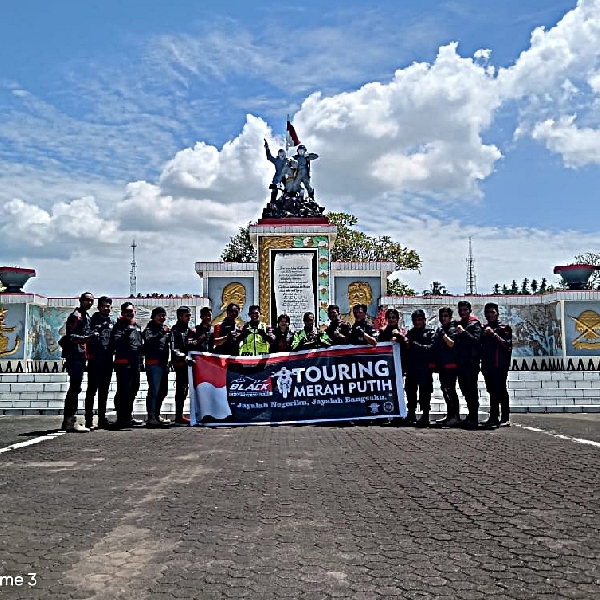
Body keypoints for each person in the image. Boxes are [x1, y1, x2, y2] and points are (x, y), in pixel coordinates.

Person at [61, 292, 94, 433]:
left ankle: (69, 420)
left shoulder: (86, 316)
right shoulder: (76, 316)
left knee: (76, 387)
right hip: (75, 355)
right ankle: (70, 421)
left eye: (92, 301)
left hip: (82, 356)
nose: (90, 303)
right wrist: (87, 337)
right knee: (74, 388)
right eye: (87, 300)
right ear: (81, 300)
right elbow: (71, 336)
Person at [110, 301, 144, 429]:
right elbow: (115, 343)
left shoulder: (137, 326)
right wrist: (126, 332)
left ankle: (128, 417)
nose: (130, 313)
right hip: (123, 364)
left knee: (133, 390)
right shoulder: (119, 326)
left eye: (131, 311)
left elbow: (140, 344)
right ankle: (121, 419)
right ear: (122, 313)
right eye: (127, 311)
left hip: (135, 364)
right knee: (123, 391)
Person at [480, 303, 513, 428]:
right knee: (492, 391)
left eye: (492, 312)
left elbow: (507, 346)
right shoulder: (483, 329)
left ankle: (505, 417)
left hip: (500, 365)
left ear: (497, 313)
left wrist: (494, 335)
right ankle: (493, 417)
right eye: (487, 312)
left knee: (501, 391)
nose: (490, 315)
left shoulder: (504, 328)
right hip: (487, 366)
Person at [84, 296, 114, 430]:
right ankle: (89, 419)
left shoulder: (113, 322)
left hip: (108, 360)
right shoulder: (92, 321)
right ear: (99, 307)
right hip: (95, 360)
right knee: (92, 391)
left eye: (108, 306)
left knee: (104, 391)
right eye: (104, 306)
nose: (106, 308)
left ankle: (102, 419)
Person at [403, 310, 435, 427]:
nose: (417, 322)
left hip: (424, 368)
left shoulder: (430, 332)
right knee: (410, 392)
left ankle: (425, 415)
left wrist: (415, 345)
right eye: (415, 320)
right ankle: (411, 414)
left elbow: (431, 349)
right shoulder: (410, 333)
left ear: (424, 320)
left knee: (425, 393)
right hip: (411, 367)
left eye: (420, 319)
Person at [431, 307, 461, 427]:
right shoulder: (441, 329)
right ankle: (450, 415)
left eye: (445, 316)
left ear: (450, 317)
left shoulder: (453, 329)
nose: (443, 318)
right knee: (445, 390)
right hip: (442, 365)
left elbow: (451, 344)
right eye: (441, 316)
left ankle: (455, 417)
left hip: (451, 366)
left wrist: (443, 335)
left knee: (450, 390)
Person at [455, 300, 482, 429]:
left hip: (471, 363)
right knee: (464, 389)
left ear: (470, 310)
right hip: (461, 362)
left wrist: (463, 333)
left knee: (471, 390)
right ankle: (471, 416)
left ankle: (474, 417)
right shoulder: (460, 324)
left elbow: (477, 341)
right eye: (460, 310)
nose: (462, 312)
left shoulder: (475, 324)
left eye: (465, 310)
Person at [143, 307, 171, 427]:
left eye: (164, 315)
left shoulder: (163, 329)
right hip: (153, 364)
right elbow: (148, 340)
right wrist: (162, 333)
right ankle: (151, 416)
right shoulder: (149, 329)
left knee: (163, 391)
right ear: (153, 316)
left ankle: (157, 414)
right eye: (160, 315)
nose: (162, 318)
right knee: (154, 391)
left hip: (164, 364)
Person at [170, 305, 197, 425]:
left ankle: (181, 415)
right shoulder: (175, 330)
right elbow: (174, 348)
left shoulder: (189, 330)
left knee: (185, 390)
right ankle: (178, 416)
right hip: (181, 364)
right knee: (181, 390)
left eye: (190, 315)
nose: (189, 317)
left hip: (189, 364)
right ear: (180, 316)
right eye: (187, 315)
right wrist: (185, 357)